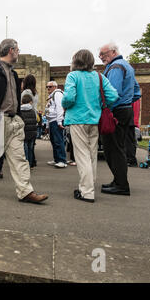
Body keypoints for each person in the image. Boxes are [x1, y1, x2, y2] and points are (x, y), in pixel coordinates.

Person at [0, 39, 48, 204]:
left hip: (13, 120)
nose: (18, 52)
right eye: (18, 49)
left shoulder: (13, 73)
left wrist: (18, 115)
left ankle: (26, 191)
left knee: (19, 157)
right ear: (11, 50)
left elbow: (15, 98)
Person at [61, 49, 119, 203]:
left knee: (82, 156)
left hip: (77, 119)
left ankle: (87, 191)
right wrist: (99, 105)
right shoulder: (99, 76)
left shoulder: (72, 76)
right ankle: (89, 185)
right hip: (94, 119)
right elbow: (113, 95)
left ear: (76, 61)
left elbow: (68, 98)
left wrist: (65, 104)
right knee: (91, 155)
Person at [99, 42, 141, 196]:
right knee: (118, 148)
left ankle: (121, 185)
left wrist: (106, 110)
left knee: (113, 149)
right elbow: (137, 92)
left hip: (116, 112)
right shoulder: (127, 66)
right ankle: (118, 180)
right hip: (125, 110)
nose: (100, 57)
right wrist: (127, 100)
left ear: (113, 52)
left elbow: (112, 94)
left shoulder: (115, 67)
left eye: (103, 54)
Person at [45, 81, 67, 168]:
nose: (48, 88)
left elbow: (60, 108)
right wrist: (47, 125)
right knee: (54, 141)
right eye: (47, 87)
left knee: (58, 140)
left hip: (55, 120)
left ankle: (62, 160)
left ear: (55, 87)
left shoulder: (57, 94)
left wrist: (59, 121)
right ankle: (57, 159)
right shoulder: (51, 96)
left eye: (50, 86)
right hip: (51, 121)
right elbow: (48, 111)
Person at [20, 94, 38, 168]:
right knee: (31, 149)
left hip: (24, 133)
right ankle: (30, 164)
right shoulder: (33, 111)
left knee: (25, 149)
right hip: (32, 133)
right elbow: (36, 121)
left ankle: (26, 164)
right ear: (30, 102)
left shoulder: (20, 111)